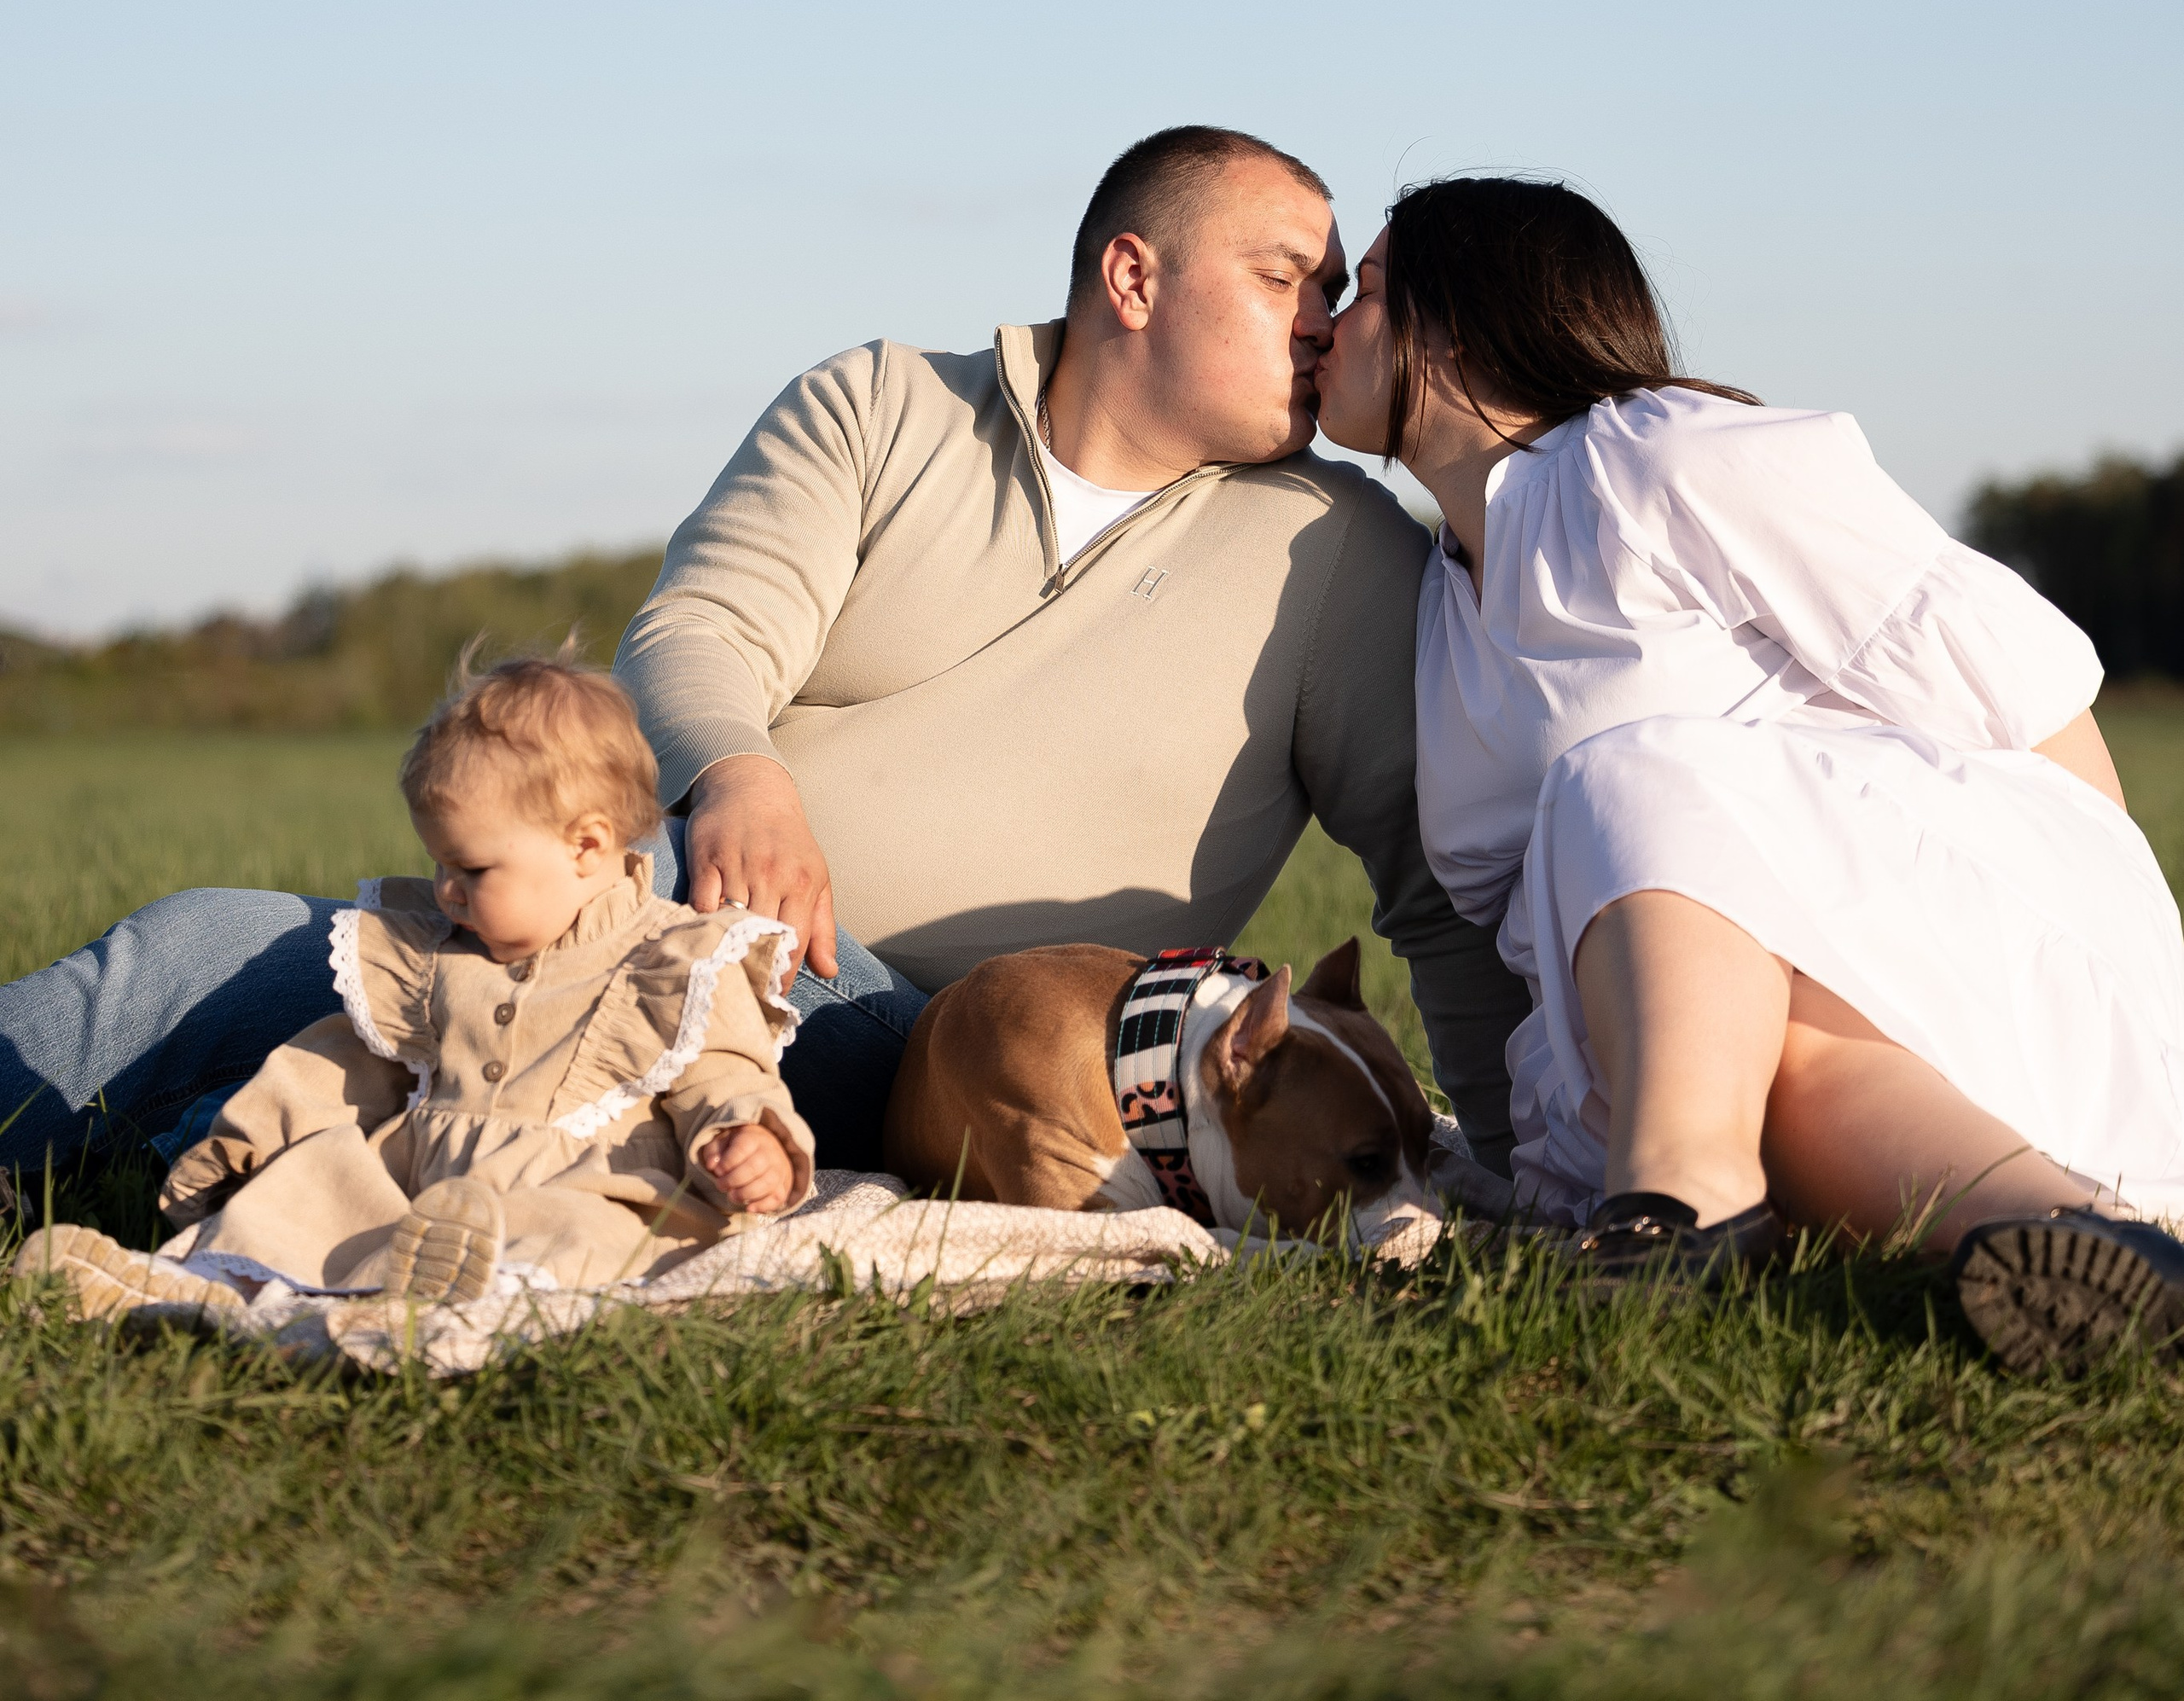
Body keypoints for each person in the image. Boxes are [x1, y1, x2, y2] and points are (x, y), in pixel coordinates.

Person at [0, 126, 1527, 1187]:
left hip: (922, 1042)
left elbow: (1438, 893)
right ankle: (165, 1138)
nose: (1325, 323)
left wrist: (1531, 1168)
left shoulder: (1339, 553)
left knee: (399, 995)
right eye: (1286, 280)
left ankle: (244, 1132)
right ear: (1134, 279)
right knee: (215, 939)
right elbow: (703, 624)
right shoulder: (879, 402)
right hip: (666, 908)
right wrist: (740, 774)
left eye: (1333, 291)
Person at [1312, 171, 2184, 1374]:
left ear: (1457, 318)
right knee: (1775, 1062)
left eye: (1361, 287)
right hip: (1690, 1054)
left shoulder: (1653, 458)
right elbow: (1496, 943)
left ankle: (1681, 1207)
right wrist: (1510, 1155)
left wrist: (2108, 973)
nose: (1325, 319)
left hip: (1968, 956)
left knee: (1623, 777)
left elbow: (2025, 698)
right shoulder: (1440, 608)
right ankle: (2098, 1240)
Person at [15, 656, 810, 1321]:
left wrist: (749, 1139)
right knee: (315, 1198)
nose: (447, 892)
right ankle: (170, 1284)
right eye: (440, 864)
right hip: (425, 1171)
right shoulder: (436, 956)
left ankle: (465, 1280)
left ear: (586, 846)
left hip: (583, 1184)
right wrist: (252, 1135)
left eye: (472, 869)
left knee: (578, 1232)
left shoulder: (679, 961)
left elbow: (726, 1075)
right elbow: (343, 1064)